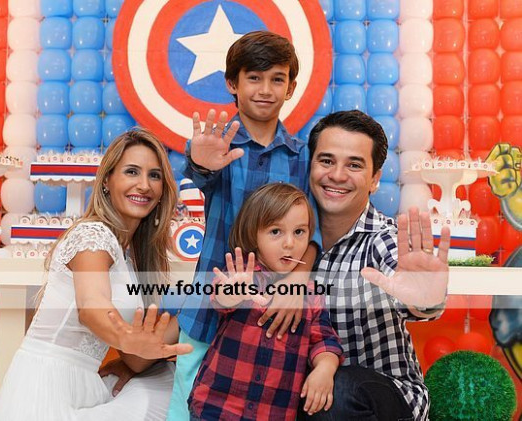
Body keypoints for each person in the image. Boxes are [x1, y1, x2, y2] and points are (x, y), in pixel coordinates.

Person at [167, 30, 319, 420]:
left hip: (270, 317)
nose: (265, 89)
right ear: (232, 84)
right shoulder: (218, 147)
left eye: (277, 79)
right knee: (188, 405)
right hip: (207, 312)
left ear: (291, 87)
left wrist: (298, 280)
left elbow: (313, 231)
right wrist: (200, 164)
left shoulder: (303, 157)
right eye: (254, 77)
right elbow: (198, 176)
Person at [0, 129, 193, 421]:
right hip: (47, 386)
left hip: (83, 385)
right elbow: (91, 306)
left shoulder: (129, 258)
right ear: (107, 181)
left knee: (164, 378)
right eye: (132, 172)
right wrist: (127, 339)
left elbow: (137, 361)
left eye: (154, 175)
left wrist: (198, 306)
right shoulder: (93, 235)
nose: (144, 185)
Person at [303, 110, 450, 421]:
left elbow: (419, 301)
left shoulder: (384, 238)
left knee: (340, 387)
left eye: (354, 165)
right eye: (326, 161)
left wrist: (424, 297)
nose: (337, 175)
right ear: (310, 165)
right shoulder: (290, 240)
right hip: (312, 398)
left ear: (374, 179)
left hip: (388, 402)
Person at [188, 183, 343, 421]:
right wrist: (233, 292)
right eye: (275, 232)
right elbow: (221, 298)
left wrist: (325, 368)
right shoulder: (242, 274)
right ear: (254, 235)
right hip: (216, 409)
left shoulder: (311, 294)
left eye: (299, 232)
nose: (289, 243)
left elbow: (325, 341)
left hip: (272, 414)